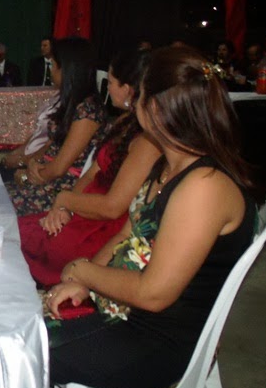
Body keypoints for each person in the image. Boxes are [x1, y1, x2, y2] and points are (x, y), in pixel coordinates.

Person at [43, 45, 260, 388]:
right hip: (128, 319)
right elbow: (126, 234)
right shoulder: (169, 165)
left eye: (140, 95)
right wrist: (87, 281)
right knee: (22, 328)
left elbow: (154, 294)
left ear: (155, 107)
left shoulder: (204, 187)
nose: (134, 102)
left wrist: (81, 271)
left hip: (158, 344)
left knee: (21, 352)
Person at [18, 49, 161, 288]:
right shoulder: (124, 123)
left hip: (101, 227)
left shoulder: (146, 142)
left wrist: (65, 200)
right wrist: (64, 208)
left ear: (128, 89)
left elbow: (113, 207)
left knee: (25, 238)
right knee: (19, 229)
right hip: (83, 209)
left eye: (111, 83)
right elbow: (92, 172)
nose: (107, 88)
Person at [6, 37, 107, 216]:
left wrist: (29, 176)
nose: (51, 71)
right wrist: (31, 163)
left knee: (0, 203)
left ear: (67, 69)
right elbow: (52, 144)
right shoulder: (71, 102)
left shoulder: (88, 110)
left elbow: (60, 167)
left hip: (62, 186)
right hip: (47, 175)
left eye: (53, 65)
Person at [0, 46, 62, 179]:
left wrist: (23, 161)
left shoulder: (74, 107)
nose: (51, 70)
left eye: (54, 66)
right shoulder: (57, 96)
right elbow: (38, 132)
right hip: (31, 155)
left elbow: (50, 146)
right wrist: (18, 152)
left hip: (39, 163)